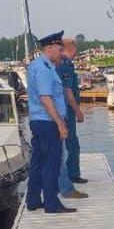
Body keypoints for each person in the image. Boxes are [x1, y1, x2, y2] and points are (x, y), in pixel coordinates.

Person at [25, 32, 76, 214]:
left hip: (38, 121)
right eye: (60, 49)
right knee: (51, 163)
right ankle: (51, 203)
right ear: (49, 48)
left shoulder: (37, 66)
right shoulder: (45, 69)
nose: (62, 53)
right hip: (47, 122)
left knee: (37, 162)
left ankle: (32, 200)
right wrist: (61, 124)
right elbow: (46, 99)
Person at [58, 36, 87, 190]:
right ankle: (72, 173)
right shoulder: (67, 66)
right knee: (72, 143)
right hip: (68, 110)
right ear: (74, 49)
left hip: (60, 109)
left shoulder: (57, 64)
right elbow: (68, 90)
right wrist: (78, 111)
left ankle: (64, 173)